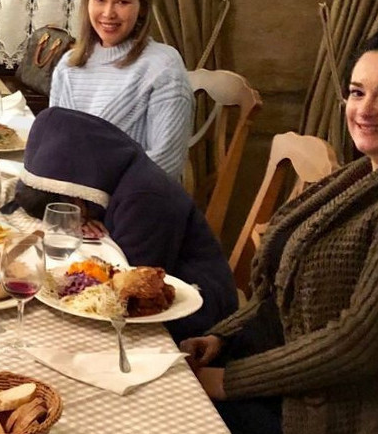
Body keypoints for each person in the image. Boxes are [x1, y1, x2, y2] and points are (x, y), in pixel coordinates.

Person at [181, 32, 378, 434]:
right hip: (291, 379)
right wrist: (223, 337)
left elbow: (355, 344)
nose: (365, 109)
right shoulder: (357, 178)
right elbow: (275, 294)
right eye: (357, 92)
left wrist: (230, 380)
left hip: (340, 416)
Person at [15, 107, 237, 341]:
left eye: (68, 205)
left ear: (75, 190)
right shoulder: (110, 174)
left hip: (197, 309)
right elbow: (27, 194)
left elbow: (132, 287)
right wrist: (83, 216)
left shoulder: (145, 199)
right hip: (159, 286)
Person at [48, 0, 193, 182]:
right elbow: (57, 147)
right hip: (71, 193)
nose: (108, 13)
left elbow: (166, 164)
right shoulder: (68, 65)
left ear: (142, 7)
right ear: (87, 2)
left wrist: (94, 196)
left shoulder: (163, 66)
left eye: (122, 2)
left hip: (135, 197)